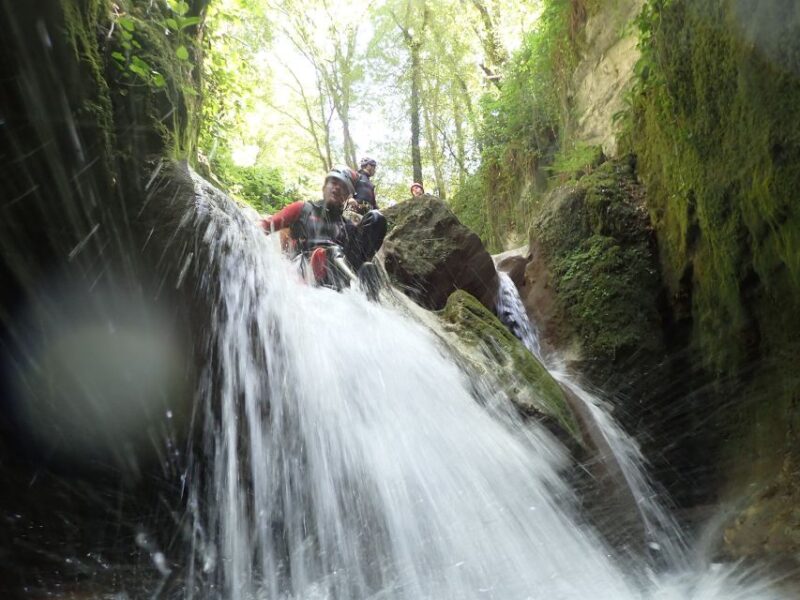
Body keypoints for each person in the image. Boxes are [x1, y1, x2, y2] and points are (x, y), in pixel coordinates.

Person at [258, 167, 387, 288]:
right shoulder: (302, 209)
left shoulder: (347, 227)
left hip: (337, 276)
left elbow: (361, 248)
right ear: (324, 186)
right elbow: (264, 226)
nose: (336, 189)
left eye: (343, 187)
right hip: (302, 269)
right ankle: (342, 274)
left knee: (376, 218)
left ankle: (361, 286)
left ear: (348, 195)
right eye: (333, 183)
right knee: (331, 253)